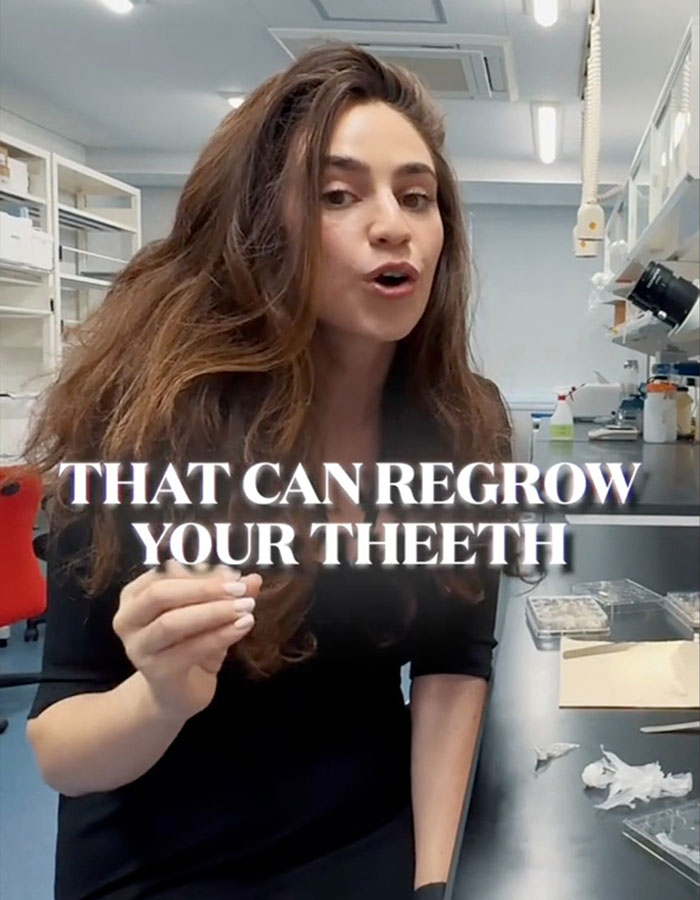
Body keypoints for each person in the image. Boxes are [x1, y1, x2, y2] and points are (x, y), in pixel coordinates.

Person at [22, 43, 511, 900]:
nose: (393, 222)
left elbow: (452, 665)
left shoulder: (462, 428)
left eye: (417, 196)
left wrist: (434, 885)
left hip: (365, 841)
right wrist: (161, 695)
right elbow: (62, 750)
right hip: (165, 863)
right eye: (338, 194)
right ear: (257, 228)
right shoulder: (139, 425)